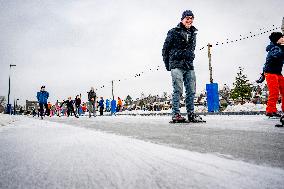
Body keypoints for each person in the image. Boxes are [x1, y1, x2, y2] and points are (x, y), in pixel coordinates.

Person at [162, 10, 203, 122]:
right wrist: (168, 65)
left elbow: (191, 49)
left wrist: (192, 56)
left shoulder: (193, 34)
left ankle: (191, 114)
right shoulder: (173, 32)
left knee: (191, 90)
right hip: (176, 65)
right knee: (178, 89)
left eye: (191, 18)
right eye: (187, 18)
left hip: (189, 65)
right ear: (182, 19)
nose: (189, 20)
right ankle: (176, 114)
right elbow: (165, 49)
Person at [261, 32, 284, 117]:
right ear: (277, 39)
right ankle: (270, 111)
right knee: (274, 92)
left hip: (278, 73)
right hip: (270, 73)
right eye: (282, 37)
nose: (283, 38)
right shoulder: (274, 48)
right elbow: (277, 55)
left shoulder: (280, 47)